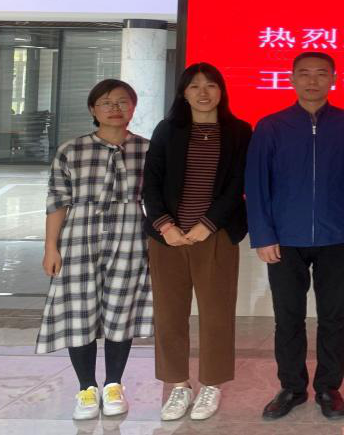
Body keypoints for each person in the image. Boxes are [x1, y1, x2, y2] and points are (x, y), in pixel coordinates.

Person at [245, 52, 344, 421]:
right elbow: (257, 185)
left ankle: (329, 387)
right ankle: (292, 387)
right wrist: (263, 235)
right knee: (288, 318)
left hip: (336, 236)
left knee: (334, 317)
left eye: (321, 73)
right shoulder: (271, 126)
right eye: (304, 74)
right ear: (291, 79)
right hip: (284, 238)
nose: (312, 81)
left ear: (334, 79)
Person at [142, 62, 253, 421]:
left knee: (217, 315)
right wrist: (165, 226)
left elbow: (238, 184)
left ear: (222, 91)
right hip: (168, 238)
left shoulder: (239, 131)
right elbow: (150, 182)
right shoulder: (167, 130)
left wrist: (208, 223)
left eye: (211, 85)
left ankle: (211, 385)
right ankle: (178, 385)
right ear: (184, 93)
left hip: (215, 236)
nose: (203, 92)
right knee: (169, 315)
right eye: (194, 86)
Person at [37, 79, 152, 421]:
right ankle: (86, 388)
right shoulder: (71, 150)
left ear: (133, 107)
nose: (115, 108)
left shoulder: (148, 150)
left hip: (130, 236)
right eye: (106, 102)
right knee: (79, 310)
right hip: (79, 235)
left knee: (121, 309)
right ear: (92, 109)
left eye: (122, 102)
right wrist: (51, 247)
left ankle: (114, 384)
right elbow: (57, 201)